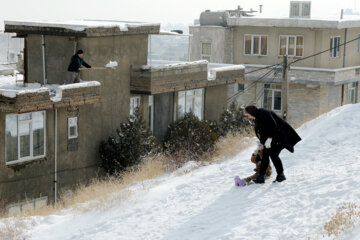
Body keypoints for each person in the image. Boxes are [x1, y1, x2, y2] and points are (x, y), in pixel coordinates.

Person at [244, 106, 301, 184]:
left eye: (248, 114)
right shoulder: (257, 118)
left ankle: (281, 175)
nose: (248, 116)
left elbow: (273, 125)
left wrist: (270, 138)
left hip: (279, 137)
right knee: (265, 155)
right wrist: (262, 143)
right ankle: (261, 177)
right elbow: (262, 132)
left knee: (273, 154)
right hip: (269, 139)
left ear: (251, 112)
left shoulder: (263, 113)